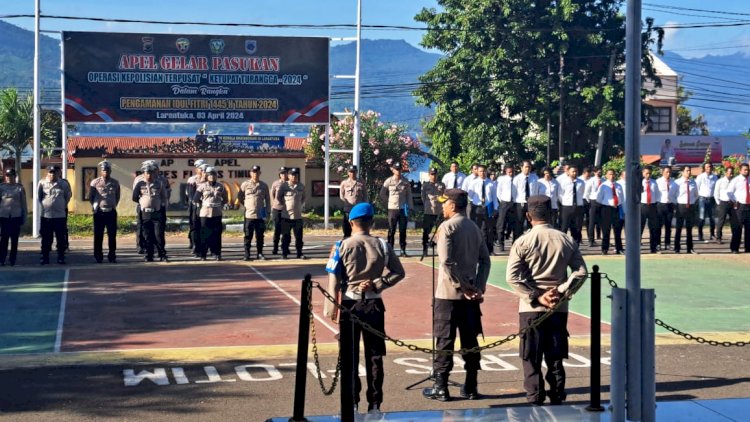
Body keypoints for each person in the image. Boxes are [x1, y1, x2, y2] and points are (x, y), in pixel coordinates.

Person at [506, 195, 587, 406]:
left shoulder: (523, 241)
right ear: (551, 214)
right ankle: (558, 393)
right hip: (558, 306)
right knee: (555, 355)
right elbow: (581, 272)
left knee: (530, 355)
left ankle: (534, 396)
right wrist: (561, 291)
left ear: (528, 216)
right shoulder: (566, 239)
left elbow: (512, 277)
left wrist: (536, 295)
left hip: (531, 306)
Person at [326, 202, 406, 414]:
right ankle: (375, 403)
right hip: (374, 304)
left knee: (349, 356)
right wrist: (378, 283)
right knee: (375, 355)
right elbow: (399, 272)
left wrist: (332, 311)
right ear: (371, 222)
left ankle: (352, 401)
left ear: (351, 222)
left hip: (350, 304)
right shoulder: (382, 245)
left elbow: (333, 281)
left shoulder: (340, 246)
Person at [422, 189, 490, 402]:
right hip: (471, 295)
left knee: (444, 340)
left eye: (444, 203)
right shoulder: (474, 227)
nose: (442, 207)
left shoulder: (447, 226)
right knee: (470, 340)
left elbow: (447, 261)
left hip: (449, 294)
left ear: (452, 205)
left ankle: (441, 386)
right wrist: (477, 287)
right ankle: (471, 385)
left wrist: (462, 287)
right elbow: (485, 260)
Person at [133, 163, 169, 262]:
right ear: (144, 174)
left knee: (158, 235)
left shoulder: (159, 184)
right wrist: (143, 203)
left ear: (154, 173)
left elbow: (164, 197)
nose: (149, 175)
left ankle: (162, 254)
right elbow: (134, 197)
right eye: (147, 173)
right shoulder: (139, 184)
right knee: (147, 235)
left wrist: (162, 206)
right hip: (145, 213)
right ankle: (149, 255)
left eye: (151, 173)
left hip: (156, 212)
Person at [38, 165, 72, 265]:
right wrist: (46, 205)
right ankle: (45, 257)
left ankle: (61, 257)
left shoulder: (63, 184)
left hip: (60, 216)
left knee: (60, 237)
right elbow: (39, 197)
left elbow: (67, 196)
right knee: (46, 238)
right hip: (46, 215)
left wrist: (61, 206)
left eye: (54, 172)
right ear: (47, 173)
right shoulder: (42, 183)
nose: (52, 174)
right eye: (50, 172)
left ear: (58, 173)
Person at [89, 160, 121, 263]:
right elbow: (91, 196)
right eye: (103, 170)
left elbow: (117, 196)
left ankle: (112, 256)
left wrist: (112, 204)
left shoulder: (115, 183)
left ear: (110, 171)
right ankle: (98, 256)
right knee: (98, 235)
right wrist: (95, 206)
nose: (105, 172)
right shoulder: (95, 182)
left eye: (107, 170)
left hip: (111, 212)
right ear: (101, 171)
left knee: (112, 236)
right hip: (99, 212)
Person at [193, 166, 228, 260]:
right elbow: (195, 199)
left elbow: (225, 199)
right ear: (207, 176)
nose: (212, 176)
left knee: (216, 234)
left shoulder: (221, 186)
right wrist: (203, 205)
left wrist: (220, 204)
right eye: (210, 175)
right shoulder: (202, 186)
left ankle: (217, 253)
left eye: (214, 175)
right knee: (204, 234)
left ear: (216, 176)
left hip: (216, 213)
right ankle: (203, 254)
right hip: (205, 213)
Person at [379, 161, 413, 256]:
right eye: (396, 169)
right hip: (392, 209)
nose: (398, 171)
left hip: (402, 209)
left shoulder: (405, 181)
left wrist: (410, 207)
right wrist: (389, 201)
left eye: (399, 169)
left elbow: (409, 195)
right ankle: (390, 250)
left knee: (403, 230)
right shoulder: (388, 181)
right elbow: (382, 194)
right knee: (391, 230)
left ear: (402, 170)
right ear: (393, 170)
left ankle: (403, 250)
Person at [238, 165, 271, 260]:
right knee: (248, 235)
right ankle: (247, 254)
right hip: (249, 214)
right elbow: (240, 197)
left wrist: (268, 213)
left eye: (257, 172)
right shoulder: (245, 184)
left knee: (260, 236)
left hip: (260, 214)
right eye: (253, 172)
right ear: (250, 173)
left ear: (259, 173)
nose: (255, 174)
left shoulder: (264, 185)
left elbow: (267, 200)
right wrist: (247, 205)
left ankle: (259, 253)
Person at [466, 164, 496, 254]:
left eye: (484, 171)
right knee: (476, 228)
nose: (482, 173)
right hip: (477, 207)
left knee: (488, 229)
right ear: (477, 172)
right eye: (480, 171)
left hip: (488, 207)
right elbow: (470, 196)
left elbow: (494, 197)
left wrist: (495, 208)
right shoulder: (474, 183)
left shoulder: (491, 183)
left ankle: (489, 249)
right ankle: (476, 249)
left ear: (486, 172)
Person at [0, 168, 27, 266]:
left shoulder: (19, 188)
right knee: (3, 240)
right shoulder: (1, 187)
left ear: (14, 176)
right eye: (7, 176)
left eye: (11, 175)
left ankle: (12, 260)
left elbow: (23, 204)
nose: (9, 178)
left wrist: (24, 217)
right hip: (4, 217)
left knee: (14, 240)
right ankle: (2, 259)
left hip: (15, 217)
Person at [278, 167, 306, 259]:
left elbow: (303, 198)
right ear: (288, 176)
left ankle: (299, 253)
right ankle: (285, 253)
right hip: (286, 216)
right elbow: (279, 198)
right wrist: (286, 207)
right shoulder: (284, 186)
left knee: (299, 237)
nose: (294, 177)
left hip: (297, 216)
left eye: (296, 175)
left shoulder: (301, 186)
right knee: (286, 236)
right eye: (292, 175)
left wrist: (297, 207)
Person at [596, 169, 625, 255]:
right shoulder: (603, 186)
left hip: (616, 208)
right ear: (606, 176)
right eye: (610, 174)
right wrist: (607, 204)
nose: (612, 176)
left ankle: (619, 248)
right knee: (606, 230)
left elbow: (622, 198)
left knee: (618, 230)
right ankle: (605, 248)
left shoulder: (618, 185)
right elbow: (599, 198)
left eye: (613, 174)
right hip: (606, 209)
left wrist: (617, 204)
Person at [673, 166, 698, 254]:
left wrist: (692, 202)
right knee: (679, 228)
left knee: (689, 228)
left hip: (690, 206)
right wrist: (677, 203)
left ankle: (690, 248)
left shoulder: (693, 182)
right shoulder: (677, 182)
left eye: (689, 170)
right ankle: (677, 248)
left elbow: (696, 195)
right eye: (687, 171)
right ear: (682, 172)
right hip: (681, 206)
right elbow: (671, 195)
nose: (689, 172)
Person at [512, 160, 539, 241]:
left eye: (529, 167)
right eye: (526, 167)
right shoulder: (517, 178)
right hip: (520, 203)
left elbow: (536, 190)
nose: (528, 169)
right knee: (519, 224)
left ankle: (532, 242)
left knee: (532, 224)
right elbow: (514, 192)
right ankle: (517, 242)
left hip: (531, 203)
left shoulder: (535, 178)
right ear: (521, 168)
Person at [420, 167, 445, 256]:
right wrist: (427, 205)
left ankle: (441, 250)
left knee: (441, 232)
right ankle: (424, 249)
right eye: (432, 174)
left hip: (439, 211)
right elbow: (423, 198)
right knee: (426, 232)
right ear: (429, 175)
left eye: (435, 174)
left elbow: (444, 196)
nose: (433, 176)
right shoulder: (425, 185)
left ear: (437, 175)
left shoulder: (442, 185)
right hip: (429, 211)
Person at [726, 163, 750, 254]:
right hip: (739, 206)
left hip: (749, 205)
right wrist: (735, 201)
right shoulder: (736, 180)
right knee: (738, 228)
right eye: (745, 170)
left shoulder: (749, 179)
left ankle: (748, 248)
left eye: (747, 170)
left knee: (748, 228)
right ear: (740, 170)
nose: (747, 171)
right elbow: (729, 192)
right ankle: (735, 248)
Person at [558, 165, 585, 244]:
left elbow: (582, 192)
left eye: (576, 171)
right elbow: (560, 194)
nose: (574, 173)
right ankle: (563, 245)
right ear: (568, 172)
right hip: (567, 207)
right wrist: (565, 202)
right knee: (564, 226)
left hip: (578, 207)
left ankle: (576, 245)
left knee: (577, 228)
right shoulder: (563, 182)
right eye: (572, 171)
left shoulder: (581, 182)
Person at [339, 165, 366, 239]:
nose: (352, 174)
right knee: (347, 227)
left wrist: (363, 206)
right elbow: (341, 195)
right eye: (350, 172)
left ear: (356, 172)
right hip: (348, 209)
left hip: (358, 209)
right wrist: (346, 203)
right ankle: (346, 242)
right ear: (348, 173)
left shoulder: (361, 183)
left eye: (354, 172)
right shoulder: (344, 183)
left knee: (358, 227)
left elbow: (365, 195)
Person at [186, 159, 206, 255]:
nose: (202, 171)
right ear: (196, 169)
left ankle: (205, 246)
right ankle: (194, 245)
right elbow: (190, 195)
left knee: (205, 227)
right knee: (194, 227)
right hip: (195, 206)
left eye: (203, 169)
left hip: (206, 207)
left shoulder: (209, 179)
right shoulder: (192, 180)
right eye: (200, 169)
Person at [494, 164, 516, 251]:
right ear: (505, 172)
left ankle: (513, 241)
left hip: (513, 202)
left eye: (512, 172)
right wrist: (502, 200)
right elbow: (498, 191)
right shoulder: (502, 179)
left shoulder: (516, 179)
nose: (511, 173)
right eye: (509, 172)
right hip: (504, 202)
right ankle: (501, 242)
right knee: (501, 223)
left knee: (513, 223)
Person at [640, 166, 660, 254]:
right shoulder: (639, 182)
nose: (648, 175)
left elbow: (657, 194)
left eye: (649, 173)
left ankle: (653, 247)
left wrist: (655, 204)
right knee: (640, 227)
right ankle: (637, 246)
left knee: (653, 228)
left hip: (652, 206)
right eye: (646, 173)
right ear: (643, 173)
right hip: (642, 206)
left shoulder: (654, 182)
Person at [695, 162, 718, 242]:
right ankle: (700, 235)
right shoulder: (700, 177)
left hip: (711, 199)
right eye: (707, 167)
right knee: (702, 217)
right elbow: (696, 188)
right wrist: (697, 198)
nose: (709, 168)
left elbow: (716, 188)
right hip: (702, 199)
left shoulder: (715, 177)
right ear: (704, 168)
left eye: (710, 166)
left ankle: (712, 235)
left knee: (712, 218)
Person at [656, 166, 677, 252]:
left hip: (670, 205)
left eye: (669, 172)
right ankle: (658, 244)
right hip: (660, 205)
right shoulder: (658, 182)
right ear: (663, 172)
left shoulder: (673, 182)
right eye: (666, 172)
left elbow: (675, 194)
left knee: (668, 226)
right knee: (659, 226)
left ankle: (667, 244)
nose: (668, 174)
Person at [714, 166, 734, 245]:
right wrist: (719, 203)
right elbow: (716, 193)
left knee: (734, 221)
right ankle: (718, 237)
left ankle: (735, 237)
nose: (731, 175)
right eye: (729, 173)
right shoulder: (720, 181)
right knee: (721, 221)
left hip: (732, 203)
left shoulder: (734, 181)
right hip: (723, 203)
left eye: (732, 173)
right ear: (726, 173)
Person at [270, 167, 288, 255]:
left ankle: (285, 247)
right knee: (277, 230)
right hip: (277, 209)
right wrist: (275, 203)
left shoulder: (290, 184)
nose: (283, 175)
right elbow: (272, 195)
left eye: (285, 173)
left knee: (286, 231)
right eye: (282, 173)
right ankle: (275, 248)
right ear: (279, 175)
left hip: (287, 210)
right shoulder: (275, 183)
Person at [583, 167, 603, 246]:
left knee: (602, 222)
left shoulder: (604, 180)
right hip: (593, 201)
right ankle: (591, 240)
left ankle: (603, 239)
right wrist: (590, 201)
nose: (599, 173)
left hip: (601, 202)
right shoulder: (591, 181)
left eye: (600, 172)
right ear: (594, 172)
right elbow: (586, 193)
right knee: (592, 222)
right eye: (598, 172)